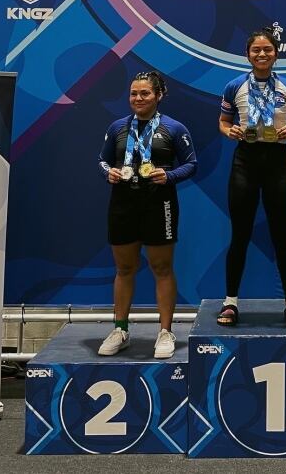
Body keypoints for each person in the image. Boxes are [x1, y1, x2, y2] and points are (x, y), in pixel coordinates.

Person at [97, 71, 197, 358]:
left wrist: (169, 175)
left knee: (162, 269)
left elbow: (192, 164)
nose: (138, 98)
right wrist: (110, 172)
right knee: (124, 269)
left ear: (158, 96)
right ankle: (120, 329)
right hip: (123, 203)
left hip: (159, 202)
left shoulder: (174, 128)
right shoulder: (117, 127)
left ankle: (165, 332)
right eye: (133, 93)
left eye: (145, 93)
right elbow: (102, 160)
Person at [217, 28, 286, 326]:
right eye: (256, 50)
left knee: (282, 237)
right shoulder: (234, 86)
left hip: (277, 163)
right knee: (240, 235)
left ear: (276, 53)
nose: (261, 54)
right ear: (248, 54)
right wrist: (229, 131)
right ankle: (230, 302)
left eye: (267, 50)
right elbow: (223, 121)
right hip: (244, 161)